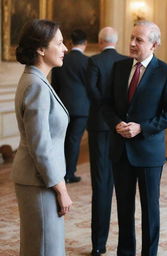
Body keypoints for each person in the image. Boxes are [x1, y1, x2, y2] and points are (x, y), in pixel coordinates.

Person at [103, 20, 167, 256]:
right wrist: (116, 123)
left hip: (148, 152)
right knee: (124, 209)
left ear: (154, 44)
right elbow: (105, 105)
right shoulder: (119, 67)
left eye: (139, 40)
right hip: (120, 150)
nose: (132, 43)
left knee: (150, 210)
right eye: (132, 38)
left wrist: (142, 128)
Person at [12, 19, 72, 256]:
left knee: (39, 246)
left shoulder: (35, 80)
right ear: (41, 49)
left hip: (38, 179)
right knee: (45, 248)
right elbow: (41, 146)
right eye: (59, 43)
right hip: (40, 181)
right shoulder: (36, 85)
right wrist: (61, 189)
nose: (65, 48)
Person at [86, 27, 127, 256]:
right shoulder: (126, 60)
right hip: (122, 127)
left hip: (100, 127)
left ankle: (98, 244)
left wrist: (106, 110)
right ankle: (124, 244)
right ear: (117, 40)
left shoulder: (94, 61)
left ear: (100, 41)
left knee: (101, 185)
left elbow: (91, 91)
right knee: (122, 185)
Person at [51, 29, 90, 183]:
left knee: (61, 140)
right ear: (85, 44)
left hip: (62, 106)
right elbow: (91, 86)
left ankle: (59, 172)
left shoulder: (61, 59)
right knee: (74, 140)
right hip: (82, 109)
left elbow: (54, 86)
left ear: (70, 43)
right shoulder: (87, 62)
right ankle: (69, 174)